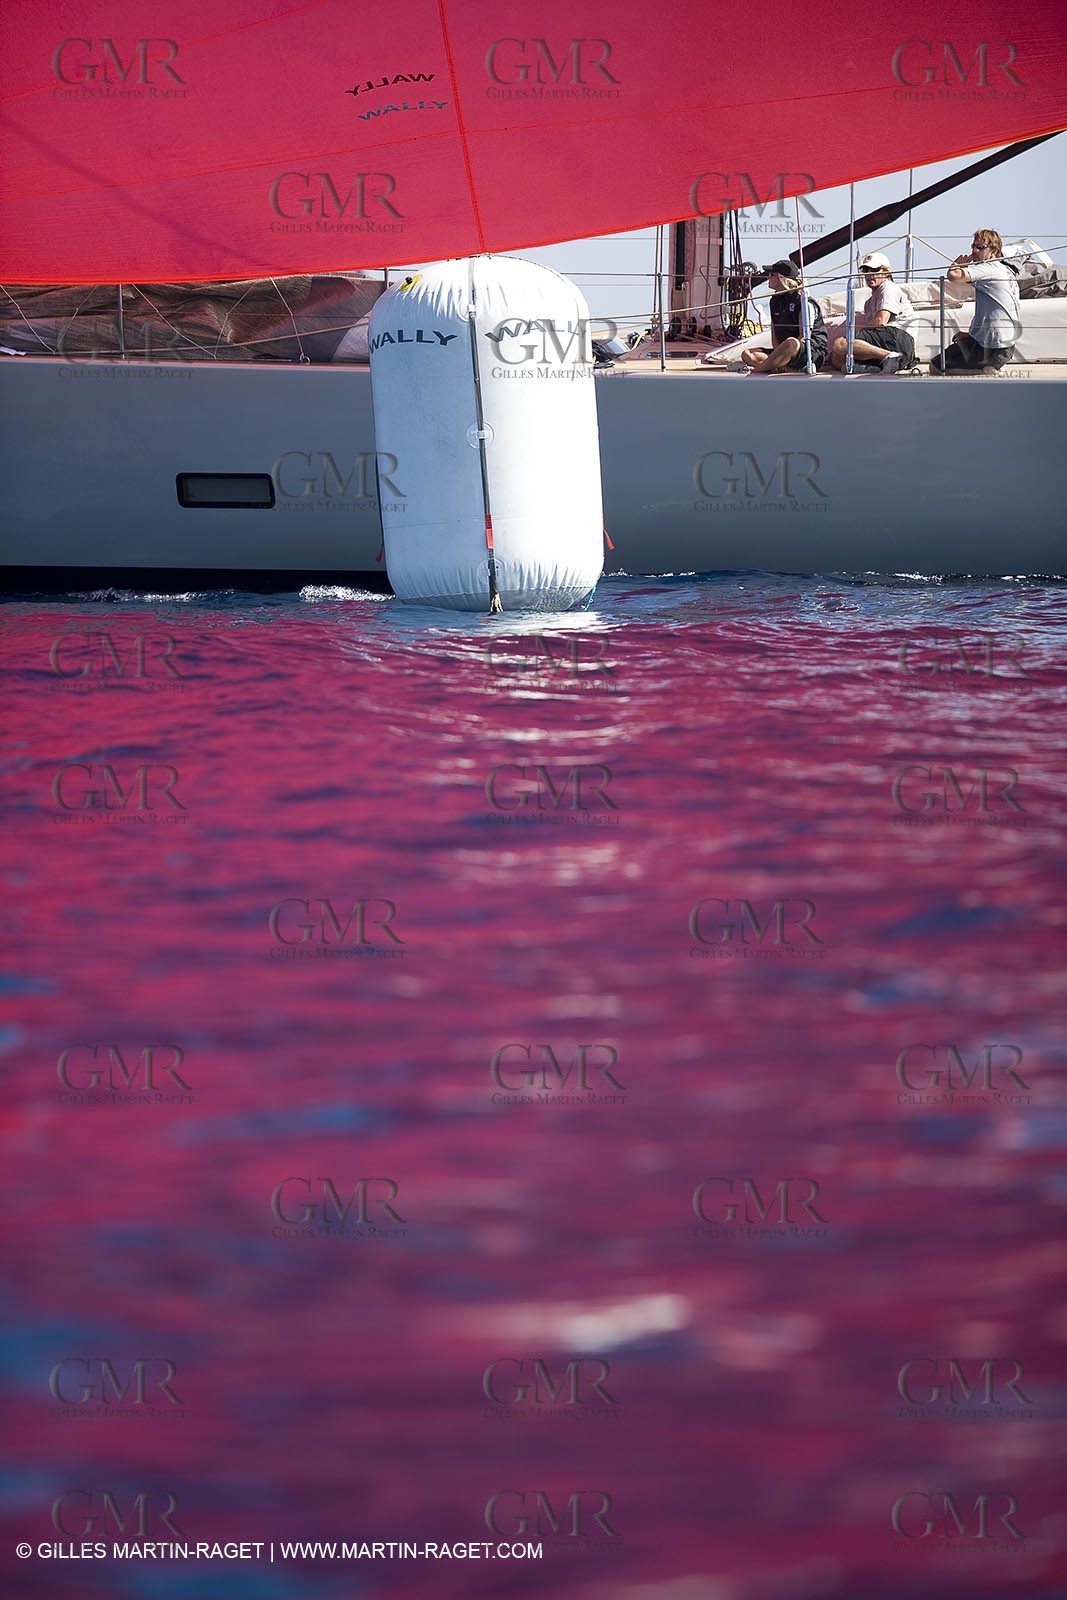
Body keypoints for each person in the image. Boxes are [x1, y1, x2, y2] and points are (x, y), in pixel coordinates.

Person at [929, 228, 1021, 374]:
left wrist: (957, 264)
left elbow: (955, 276)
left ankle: (985, 371)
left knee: (936, 367)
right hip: (1003, 346)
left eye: (980, 247)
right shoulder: (1005, 270)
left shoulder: (988, 268)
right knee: (945, 358)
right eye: (973, 246)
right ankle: (988, 367)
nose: (974, 251)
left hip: (991, 347)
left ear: (994, 252)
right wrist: (970, 335)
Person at [829, 252, 916, 373]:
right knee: (836, 357)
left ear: (886, 272)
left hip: (898, 338)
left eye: (874, 270)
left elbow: (881, 321)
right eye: (866, 270)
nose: (869, 274)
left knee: (840, 344)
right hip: (890, 343)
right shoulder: (869, 302)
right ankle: (881, 365)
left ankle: (892, 357)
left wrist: (855, 333)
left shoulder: (888, 288)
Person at [741, 260, 828, 373]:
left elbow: (803, 337)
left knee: (791, 343)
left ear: (781, 277)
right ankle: (782, 367)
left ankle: (759, 369)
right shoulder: (775, 301)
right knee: (747, 354)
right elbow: (774, 333)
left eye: (771, 275)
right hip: (784, 351)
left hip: (809, 351)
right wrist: (778, 352)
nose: (768, 278)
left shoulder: (803, 301)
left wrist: (783, 351)